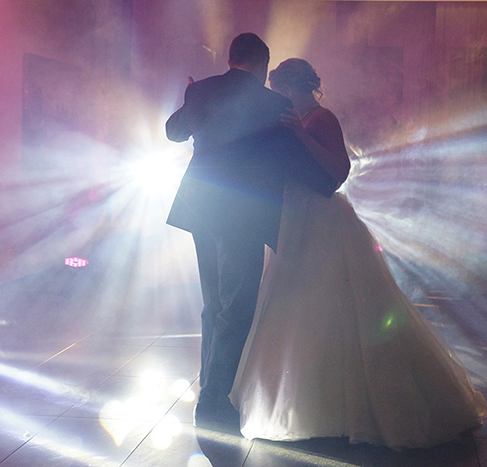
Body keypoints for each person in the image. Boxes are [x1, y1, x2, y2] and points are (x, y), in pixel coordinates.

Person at [230, 59, 487, 451]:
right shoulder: (288, 120)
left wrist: (300, 134)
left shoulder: (320, 118)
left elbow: (339, 169)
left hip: (323, 220)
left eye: (278, 87)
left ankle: (351, 407)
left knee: (334, 309)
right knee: (297, 309)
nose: (274, 96)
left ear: (292, 87)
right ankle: (310, 402)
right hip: (295, 218)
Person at [165, 34, 335, 431]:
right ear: (263, 65)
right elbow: (294, 164)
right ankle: (213, 398)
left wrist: (191, 98)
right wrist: (326, 182)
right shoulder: (276, 105)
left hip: (200, 208)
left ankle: (210, 387)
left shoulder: (201, 90)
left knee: (213, 303)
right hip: (244, 213)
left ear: (230, 60)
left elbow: (173, 132)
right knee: (237, 306)